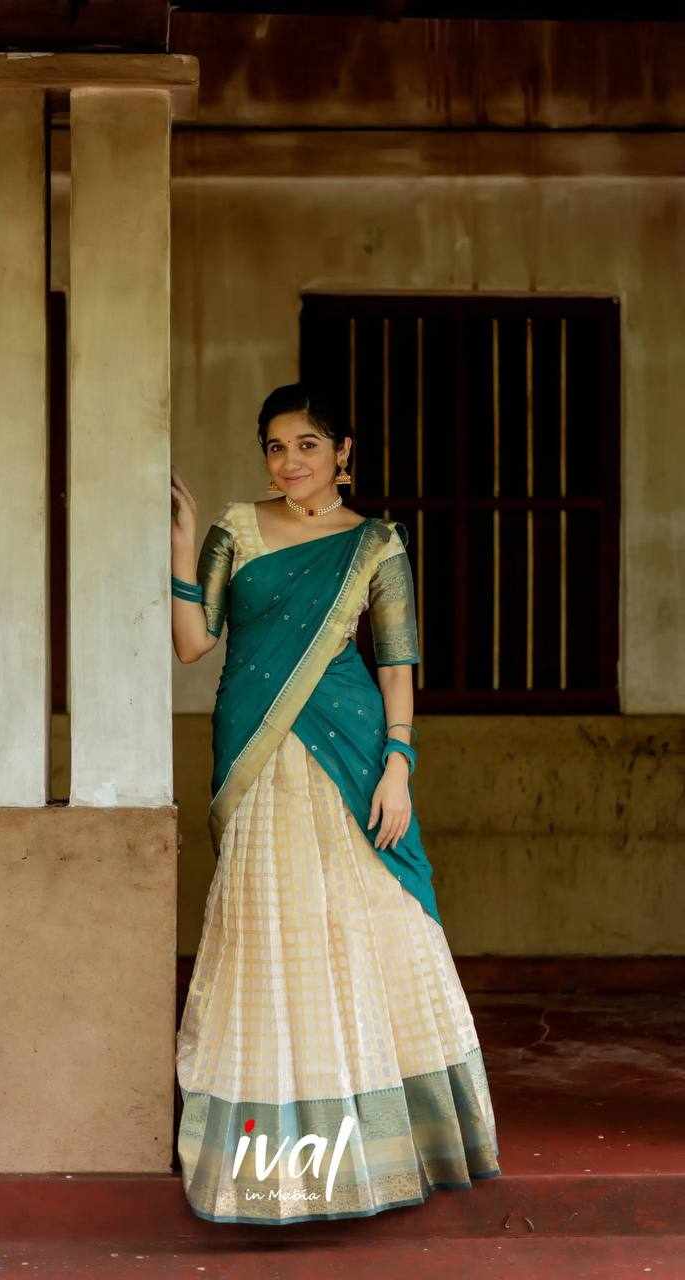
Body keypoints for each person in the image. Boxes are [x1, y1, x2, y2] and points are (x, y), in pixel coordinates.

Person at [170, 382, 501, 1226]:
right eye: (276, 447)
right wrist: (180, 545)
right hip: (257, 748)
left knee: (367, 922)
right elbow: (193, 644)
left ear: (342, 452)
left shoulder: (374, 545)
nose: (290, 462)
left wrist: (399, 765)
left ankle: (389, 1147)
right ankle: (273, 1163)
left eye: (307, 445)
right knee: (268, 928)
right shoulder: (236, 530)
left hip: (353, 750)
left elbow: (394, 662)